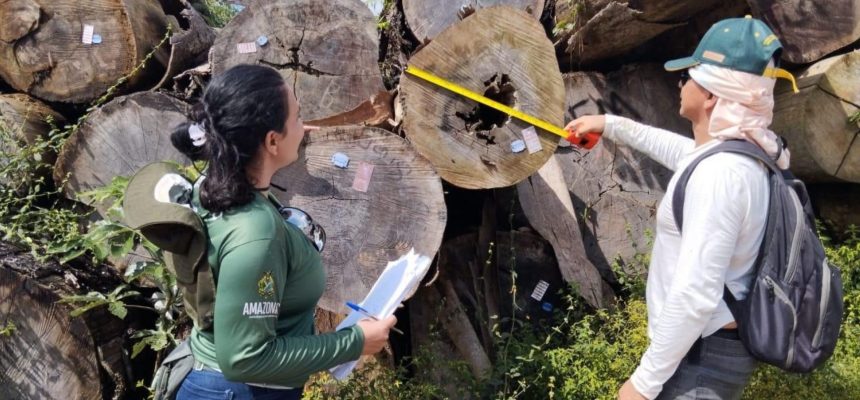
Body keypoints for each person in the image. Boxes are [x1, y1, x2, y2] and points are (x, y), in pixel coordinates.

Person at [565, 16, 795, 400]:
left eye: (688, 76)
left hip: (700, 362)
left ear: (710, 96)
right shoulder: (743, 158)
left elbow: (695, 293)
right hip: (706, 351)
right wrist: (607, 122)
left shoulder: (720, 175)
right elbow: (675, 150)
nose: (680, 83)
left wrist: (643, 384)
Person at [169, 64, 396, 399]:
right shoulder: (255, 233)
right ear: (272, 140)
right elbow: (245, 358)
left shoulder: (213, 188)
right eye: (297, 118)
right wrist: (355, 342)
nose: (304, 128)